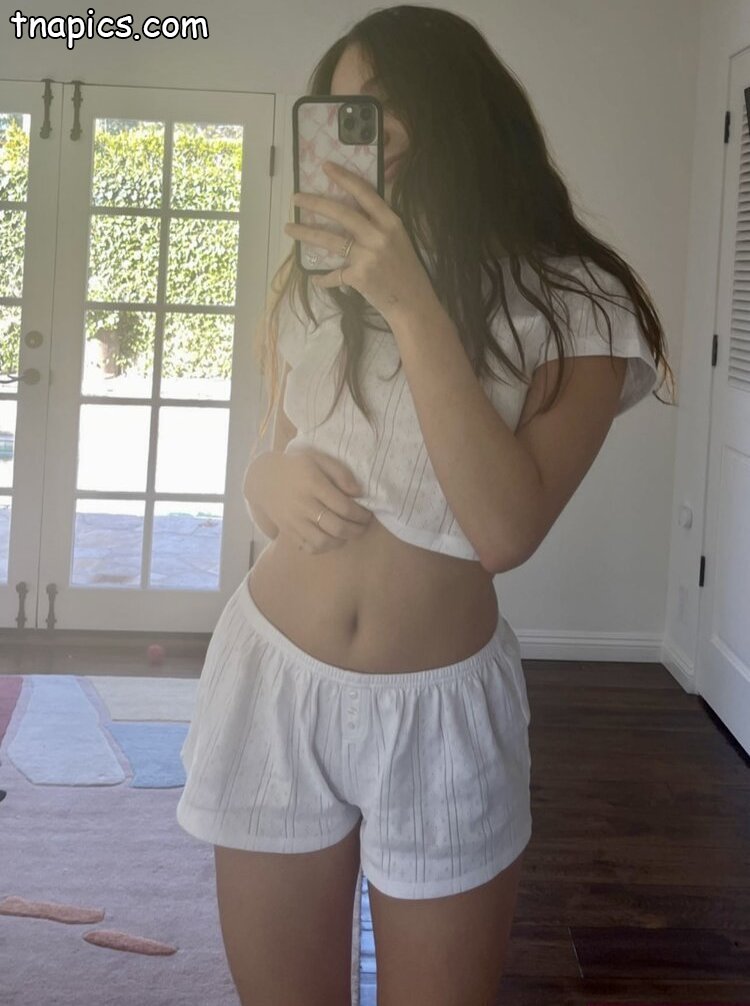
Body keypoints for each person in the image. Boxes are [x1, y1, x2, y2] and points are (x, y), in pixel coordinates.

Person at [176, 6, 676, 1005]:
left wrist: (410, 298)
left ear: (458, 105)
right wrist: (260, 483)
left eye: (381, 104)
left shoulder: (580, 301)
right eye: (341, 111)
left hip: (441, 713)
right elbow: (275, 451)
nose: (360, 131)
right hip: (270, 679)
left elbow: (504, 530)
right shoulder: (315, 277)